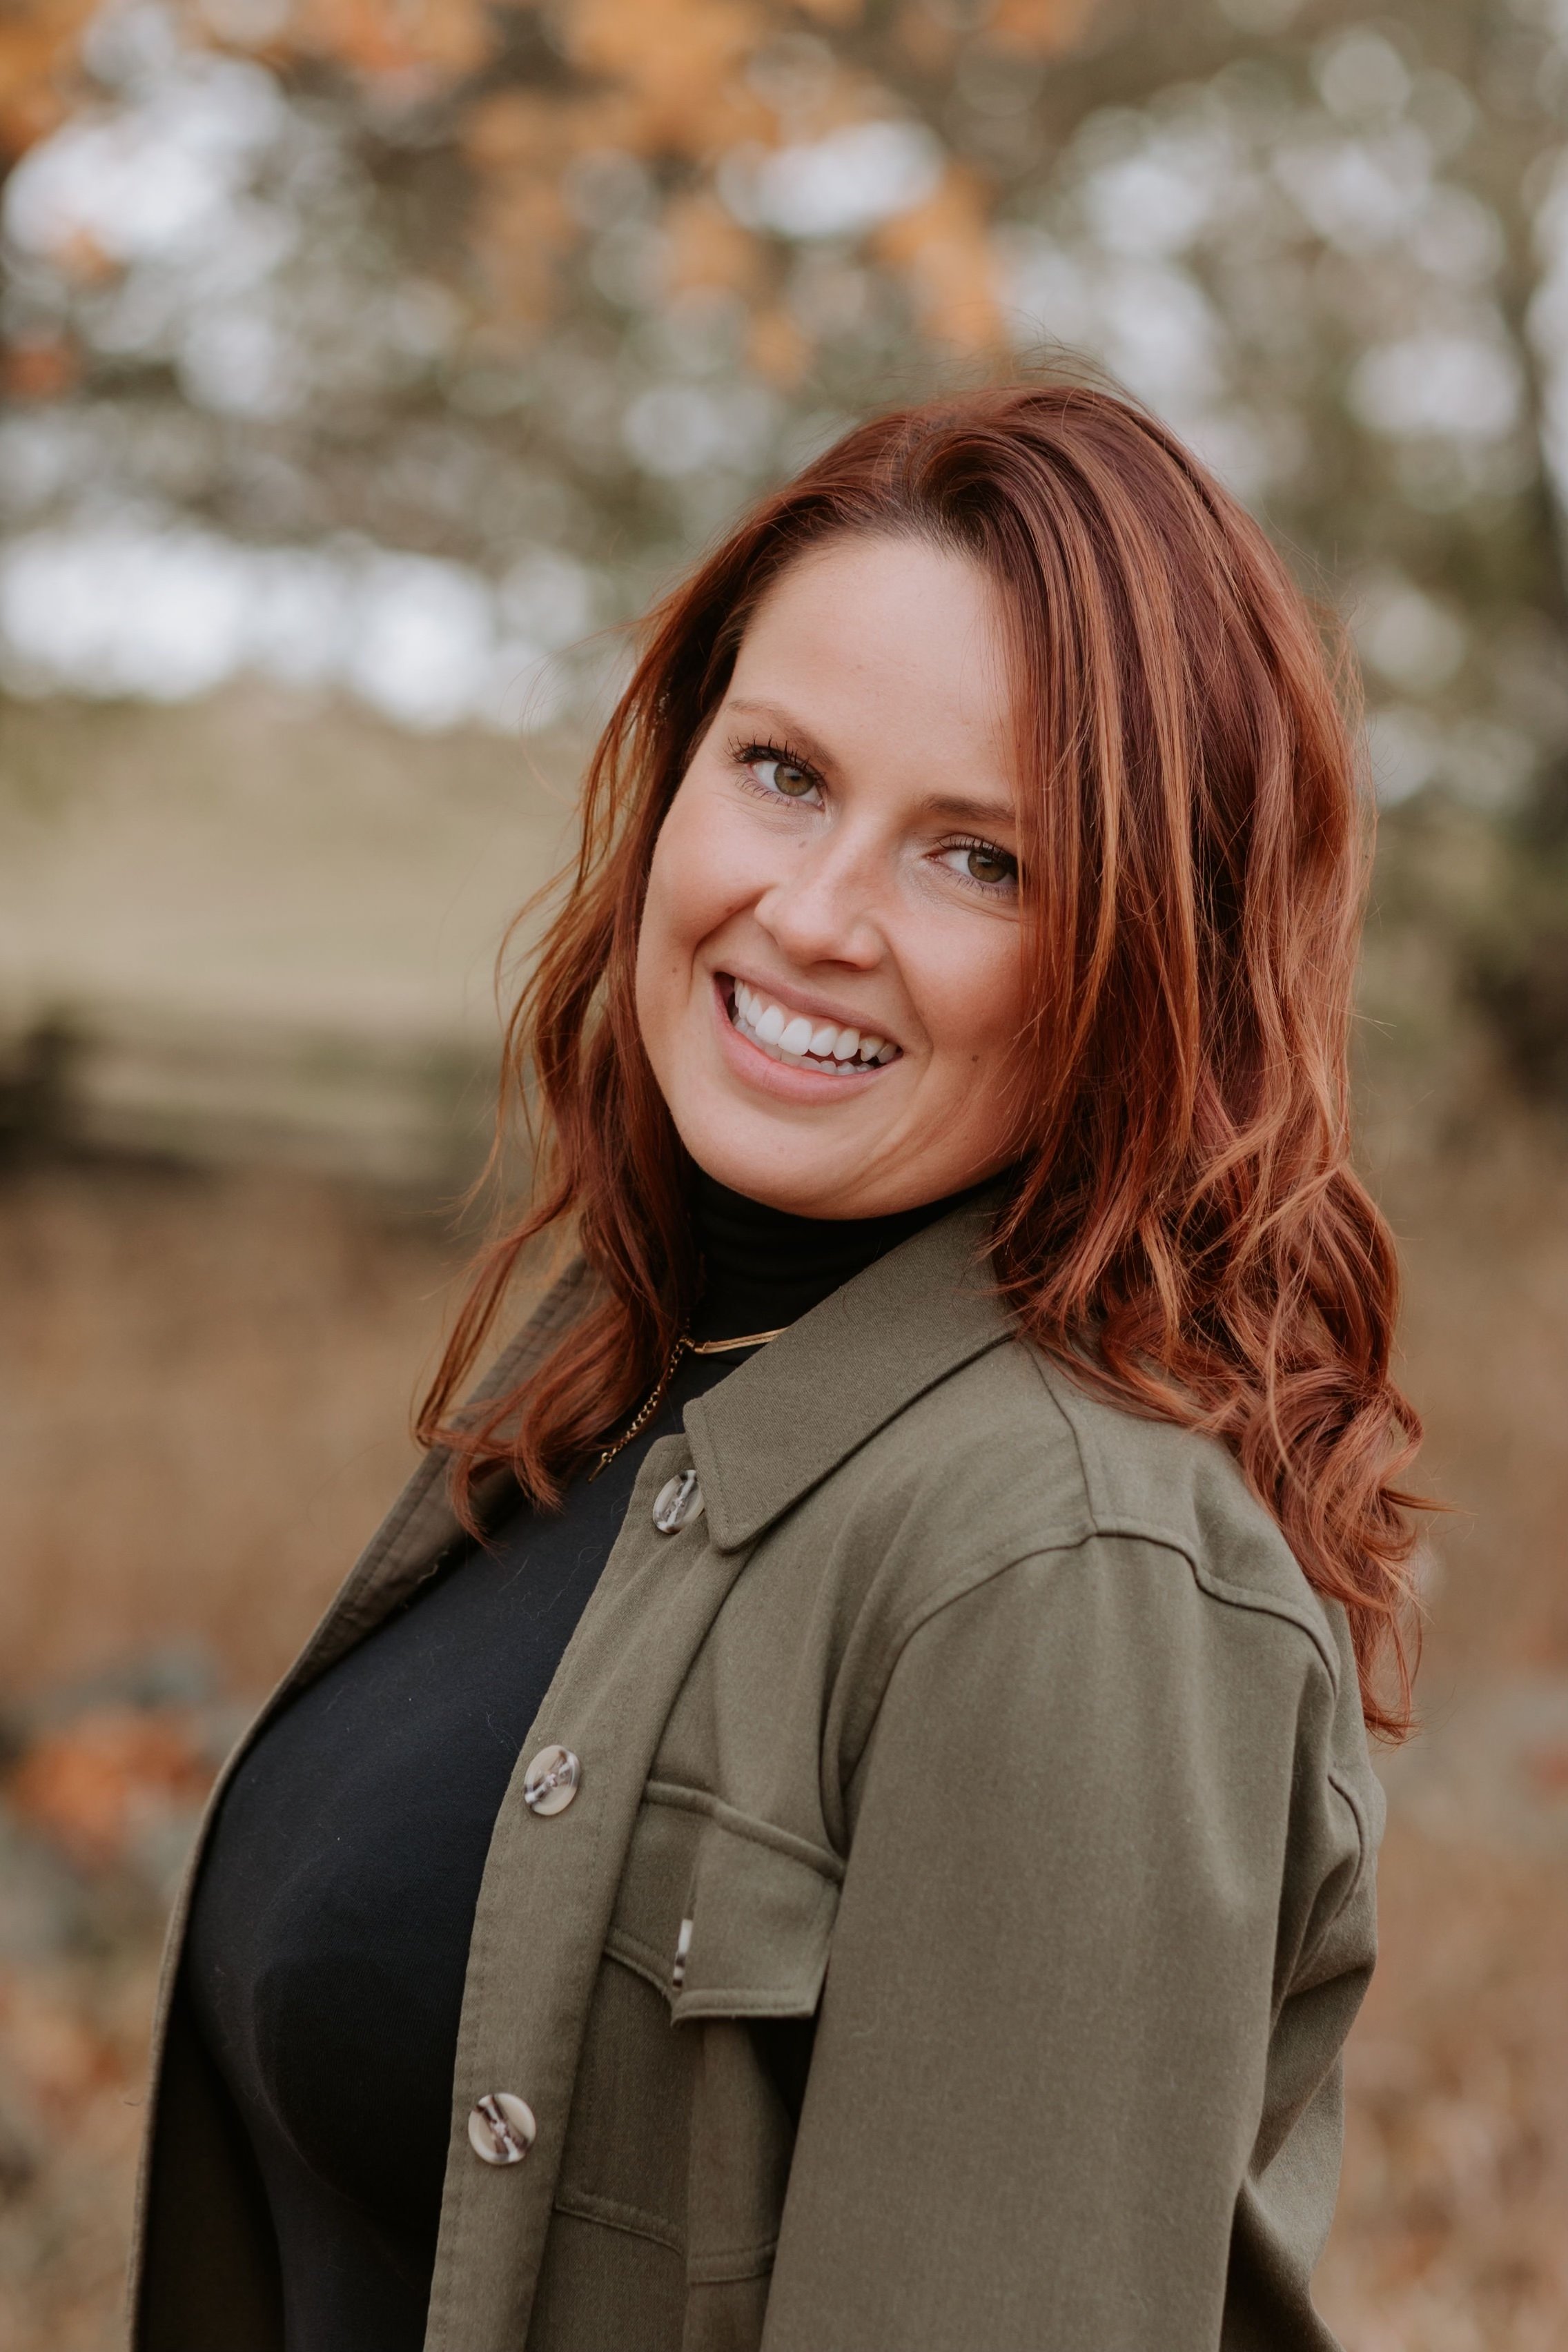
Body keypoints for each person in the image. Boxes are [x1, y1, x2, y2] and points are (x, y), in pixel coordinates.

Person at [128, 381, 1422, 2352]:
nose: (813, 916)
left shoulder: (1063, 1574)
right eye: (787, 773)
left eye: (980, 859)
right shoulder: (635, 1385)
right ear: (676, 773)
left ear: (1150, 951)